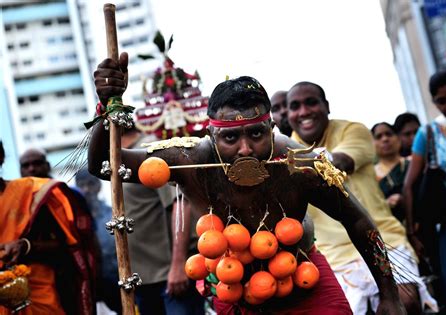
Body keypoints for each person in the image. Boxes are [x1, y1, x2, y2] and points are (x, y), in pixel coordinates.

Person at [88, 53, 406, 314]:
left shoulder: (300, 162)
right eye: (230, 137)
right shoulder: (188, 160)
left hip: (304, 281)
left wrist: (389, 294)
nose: (244, 149)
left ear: (272, 127)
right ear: (211, 135)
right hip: (232, 292)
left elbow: (358, 219)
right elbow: (104, 165)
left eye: (256, 134)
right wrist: (108, 105)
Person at [287, 81, 438, 314]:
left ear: (326, 106)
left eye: (311, 102)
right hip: (332, 254)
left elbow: (340, 163)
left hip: (382, 239)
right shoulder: (284, 152)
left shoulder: (353, 131)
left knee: (406, 304)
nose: (304, 112)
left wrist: (287, 162)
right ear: (288, 115)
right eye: (295, 106)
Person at [403, 69, 446, 315]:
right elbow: (409, 184)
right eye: (441, 101)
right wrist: (413, 232)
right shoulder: (428, 133)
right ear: (433, 101)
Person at [0, 141, 97, 315]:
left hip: (39, 294)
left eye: (37, 164)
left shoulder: (34, 194)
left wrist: (26, 246)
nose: (32, 168)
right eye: (26, 165)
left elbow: (67, 246)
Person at [120, 127, 205, 315]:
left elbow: (180, 202)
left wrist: (178, 265)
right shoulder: (118, 158)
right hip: (144, 278)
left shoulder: (148, 150)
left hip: (169, 276)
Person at [75, 169, 122, 314]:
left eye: (90, 184)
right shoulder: (75, 218)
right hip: (90, 284)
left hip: (115, 278)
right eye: (81, 185)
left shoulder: (112, 213)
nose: (86, 189)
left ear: (98, 186)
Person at [371, 122, 409, 223]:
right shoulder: (370, 175)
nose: (385, 139)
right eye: (378, 137)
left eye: (389, 134)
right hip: (389, 227)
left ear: (398, 138)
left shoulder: (412, 164)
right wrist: (385, 204)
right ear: (372, 144)